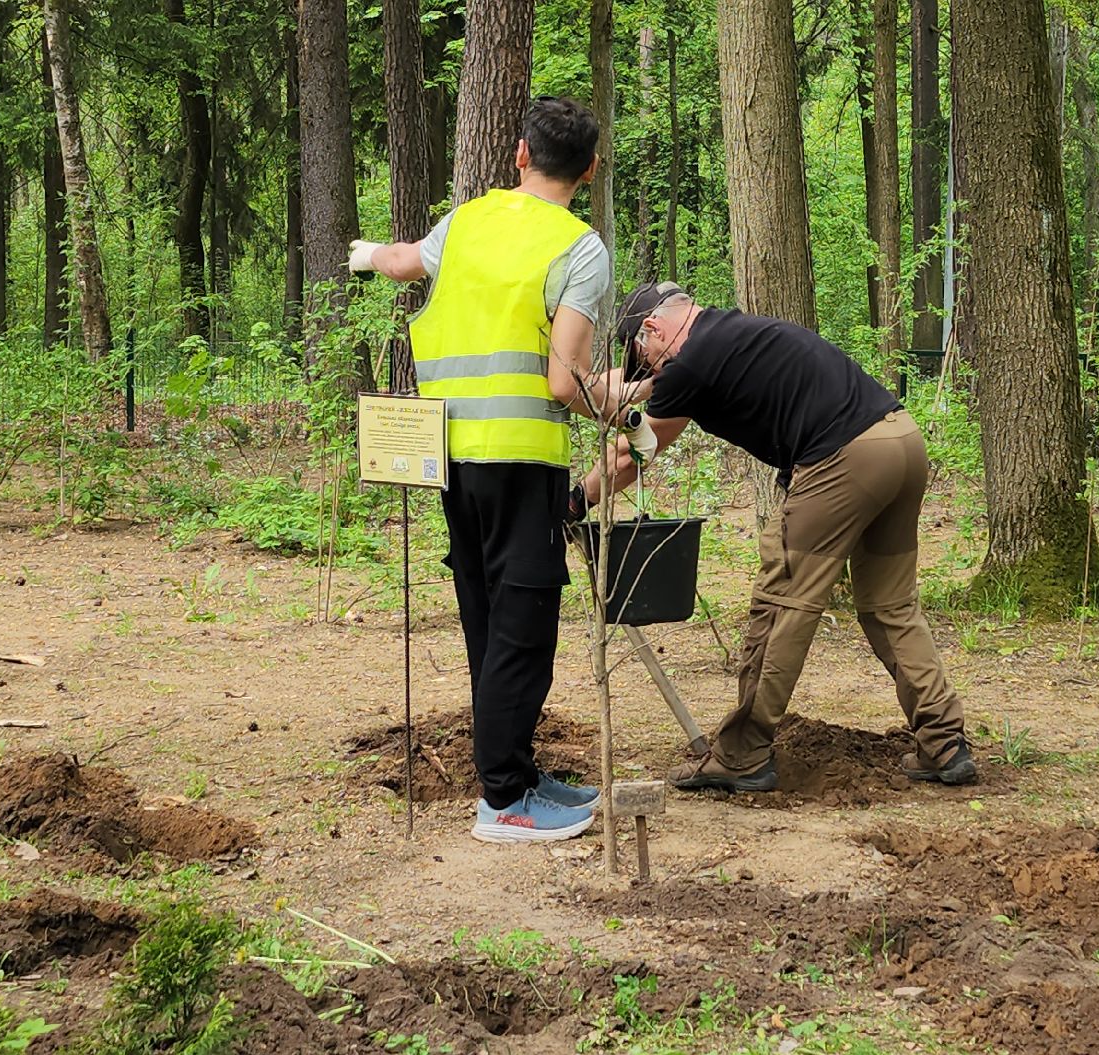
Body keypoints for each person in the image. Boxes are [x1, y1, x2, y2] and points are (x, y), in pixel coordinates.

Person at [348, 97, 653, 843]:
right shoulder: (579, 250)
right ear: (588, 169)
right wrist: (631, 413)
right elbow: (564, 379)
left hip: (451, 455)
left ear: (520, 155)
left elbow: (398, 261)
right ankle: (503, 802)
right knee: (523, 625)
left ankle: (516, 770)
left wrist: (364, 254)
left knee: (486, 614)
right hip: (521, 458)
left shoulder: (465, 223)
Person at [573, 282, 977, 792]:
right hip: (901, 442)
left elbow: (635, 452)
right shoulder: (727, 335)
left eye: (643, 355)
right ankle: (944, 742)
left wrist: (576, 499)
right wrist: (568, 382)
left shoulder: (690, 364)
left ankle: (742, 754)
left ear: (653, 329)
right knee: (891, 605)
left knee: (782, 604)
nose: (648, 369)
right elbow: (626, 391)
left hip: (844, 460)